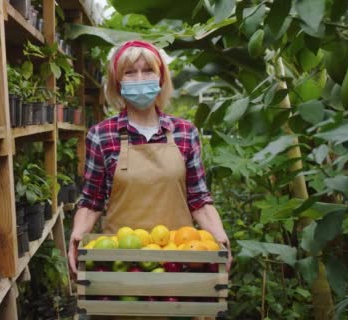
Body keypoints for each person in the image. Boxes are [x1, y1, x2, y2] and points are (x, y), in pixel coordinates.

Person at [68, 40, 232, 276]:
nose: (140, 78)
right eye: (130, 72)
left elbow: (198, 199)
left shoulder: (184, 132)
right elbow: (92, 201)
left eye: (148, 71)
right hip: (120, 263)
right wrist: (77, 233)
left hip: (180, 259)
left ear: (161, 78)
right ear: (118, 82)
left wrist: (219, 235)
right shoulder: (102, 135)